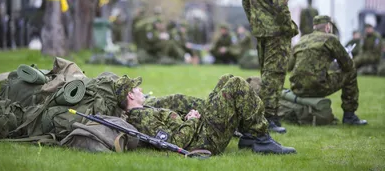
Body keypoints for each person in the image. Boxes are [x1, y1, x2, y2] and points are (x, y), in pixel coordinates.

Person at [114, 74, 297, 155]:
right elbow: (173, 143)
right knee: (236, 84)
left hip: (200, 130)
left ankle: (249, 136)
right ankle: (262, 138)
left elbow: (172, 128)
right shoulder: (142, 118)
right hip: (206, 140)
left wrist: (186, 119)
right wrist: (192, 121)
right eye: (137, 88)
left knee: (226, 79)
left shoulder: (142, 112)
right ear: (130, 95)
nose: (141, 89)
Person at [242, 0, 299, 133]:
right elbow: (280, 5)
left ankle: (263, 115)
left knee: (265, 74)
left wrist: (255, 22)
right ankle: (270, 118)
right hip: (277, 32)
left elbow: (245, 3)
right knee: (274, 75)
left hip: (260, 31)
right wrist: (290, 28)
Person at [288, 15, 367, 125]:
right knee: (351, 72)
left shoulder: (302, 40)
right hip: (318, 86)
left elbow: (289, 66)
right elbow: (348, 65)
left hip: (297, 88)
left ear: (314, 27)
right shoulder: (330, 38)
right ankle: (350, 116)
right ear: (327, 27)